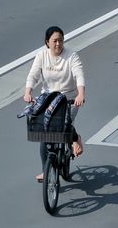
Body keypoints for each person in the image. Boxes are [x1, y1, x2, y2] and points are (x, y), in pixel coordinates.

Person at [24, 26, 86, 182]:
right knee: (45, 134)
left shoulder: (72, 56)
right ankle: (46, 169)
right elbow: (33, 75)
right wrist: (28, 92)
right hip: (49, 97)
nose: (58, 44)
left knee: (64, 124)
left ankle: (75, 138)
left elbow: (79, 75)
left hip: (69, 98)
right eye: (55, 41)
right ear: (47, 42)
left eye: (61, 40)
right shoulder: (41, 56)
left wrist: (81, 94)